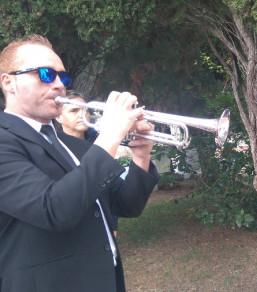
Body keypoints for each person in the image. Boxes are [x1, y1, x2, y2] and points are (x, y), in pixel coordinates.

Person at [0, 34, 159, 291]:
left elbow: (126, 205)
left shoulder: (73, 144)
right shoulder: (5, 141)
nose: (59, 85)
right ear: (9, 83)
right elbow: (53, 209)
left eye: (62, 77)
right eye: (45, 74)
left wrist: (141, 154)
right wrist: (110, 135)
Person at [56, 90, 119, 237]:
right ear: (59, 117)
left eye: (85, 109)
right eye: (74, 110)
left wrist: (113, 224)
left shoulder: (101, 141)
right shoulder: (55, 146)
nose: (82, 114)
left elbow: (110, 185)